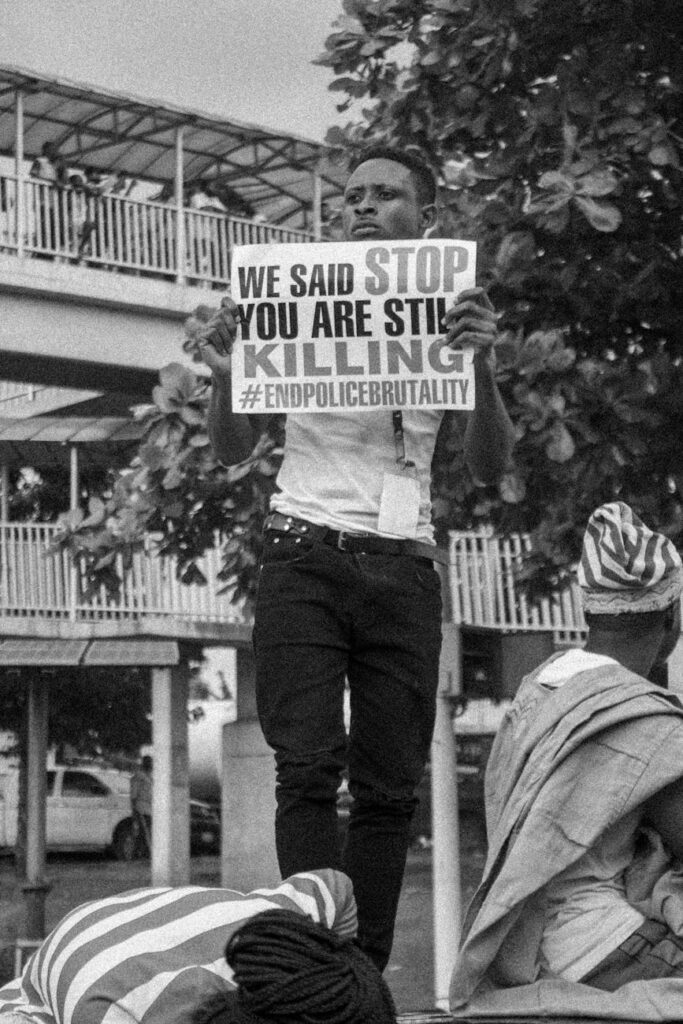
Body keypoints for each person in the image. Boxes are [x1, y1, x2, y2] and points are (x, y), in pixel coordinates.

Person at [197, 145, 516, 971]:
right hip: (301, 551)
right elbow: (230, 449)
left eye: (384, 194)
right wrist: (227, 373)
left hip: (403, 566)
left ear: (426, 217)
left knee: (388, 790)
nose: (362, 207)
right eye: (351, 196)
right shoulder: (296, 303)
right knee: (304, 770)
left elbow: (489, 465)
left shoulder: (451, 315)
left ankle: (360, 977)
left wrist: (481, 362)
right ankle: (313, 972)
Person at [451, 501, 683, 1020]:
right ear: (671, 616)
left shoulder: (536, 694)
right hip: (607, 947)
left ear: (588, 611)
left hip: (523, 953)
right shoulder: (645, 722)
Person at [0, 868, 395, 1024]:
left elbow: (337, 886)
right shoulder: (116, 1014)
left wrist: (339, 966)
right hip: (67, 978)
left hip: (117, 930)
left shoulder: (283, 922)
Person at [130, 754, 153, 856]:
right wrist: (134, 809)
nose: (151, 765)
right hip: (141, 808)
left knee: (144, 833)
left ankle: (140, 853)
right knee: (144, 832)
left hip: (149, 808)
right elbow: (134, 795)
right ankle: (139, 853)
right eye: (149, 763)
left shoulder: (150, 777)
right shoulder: (139, 777)